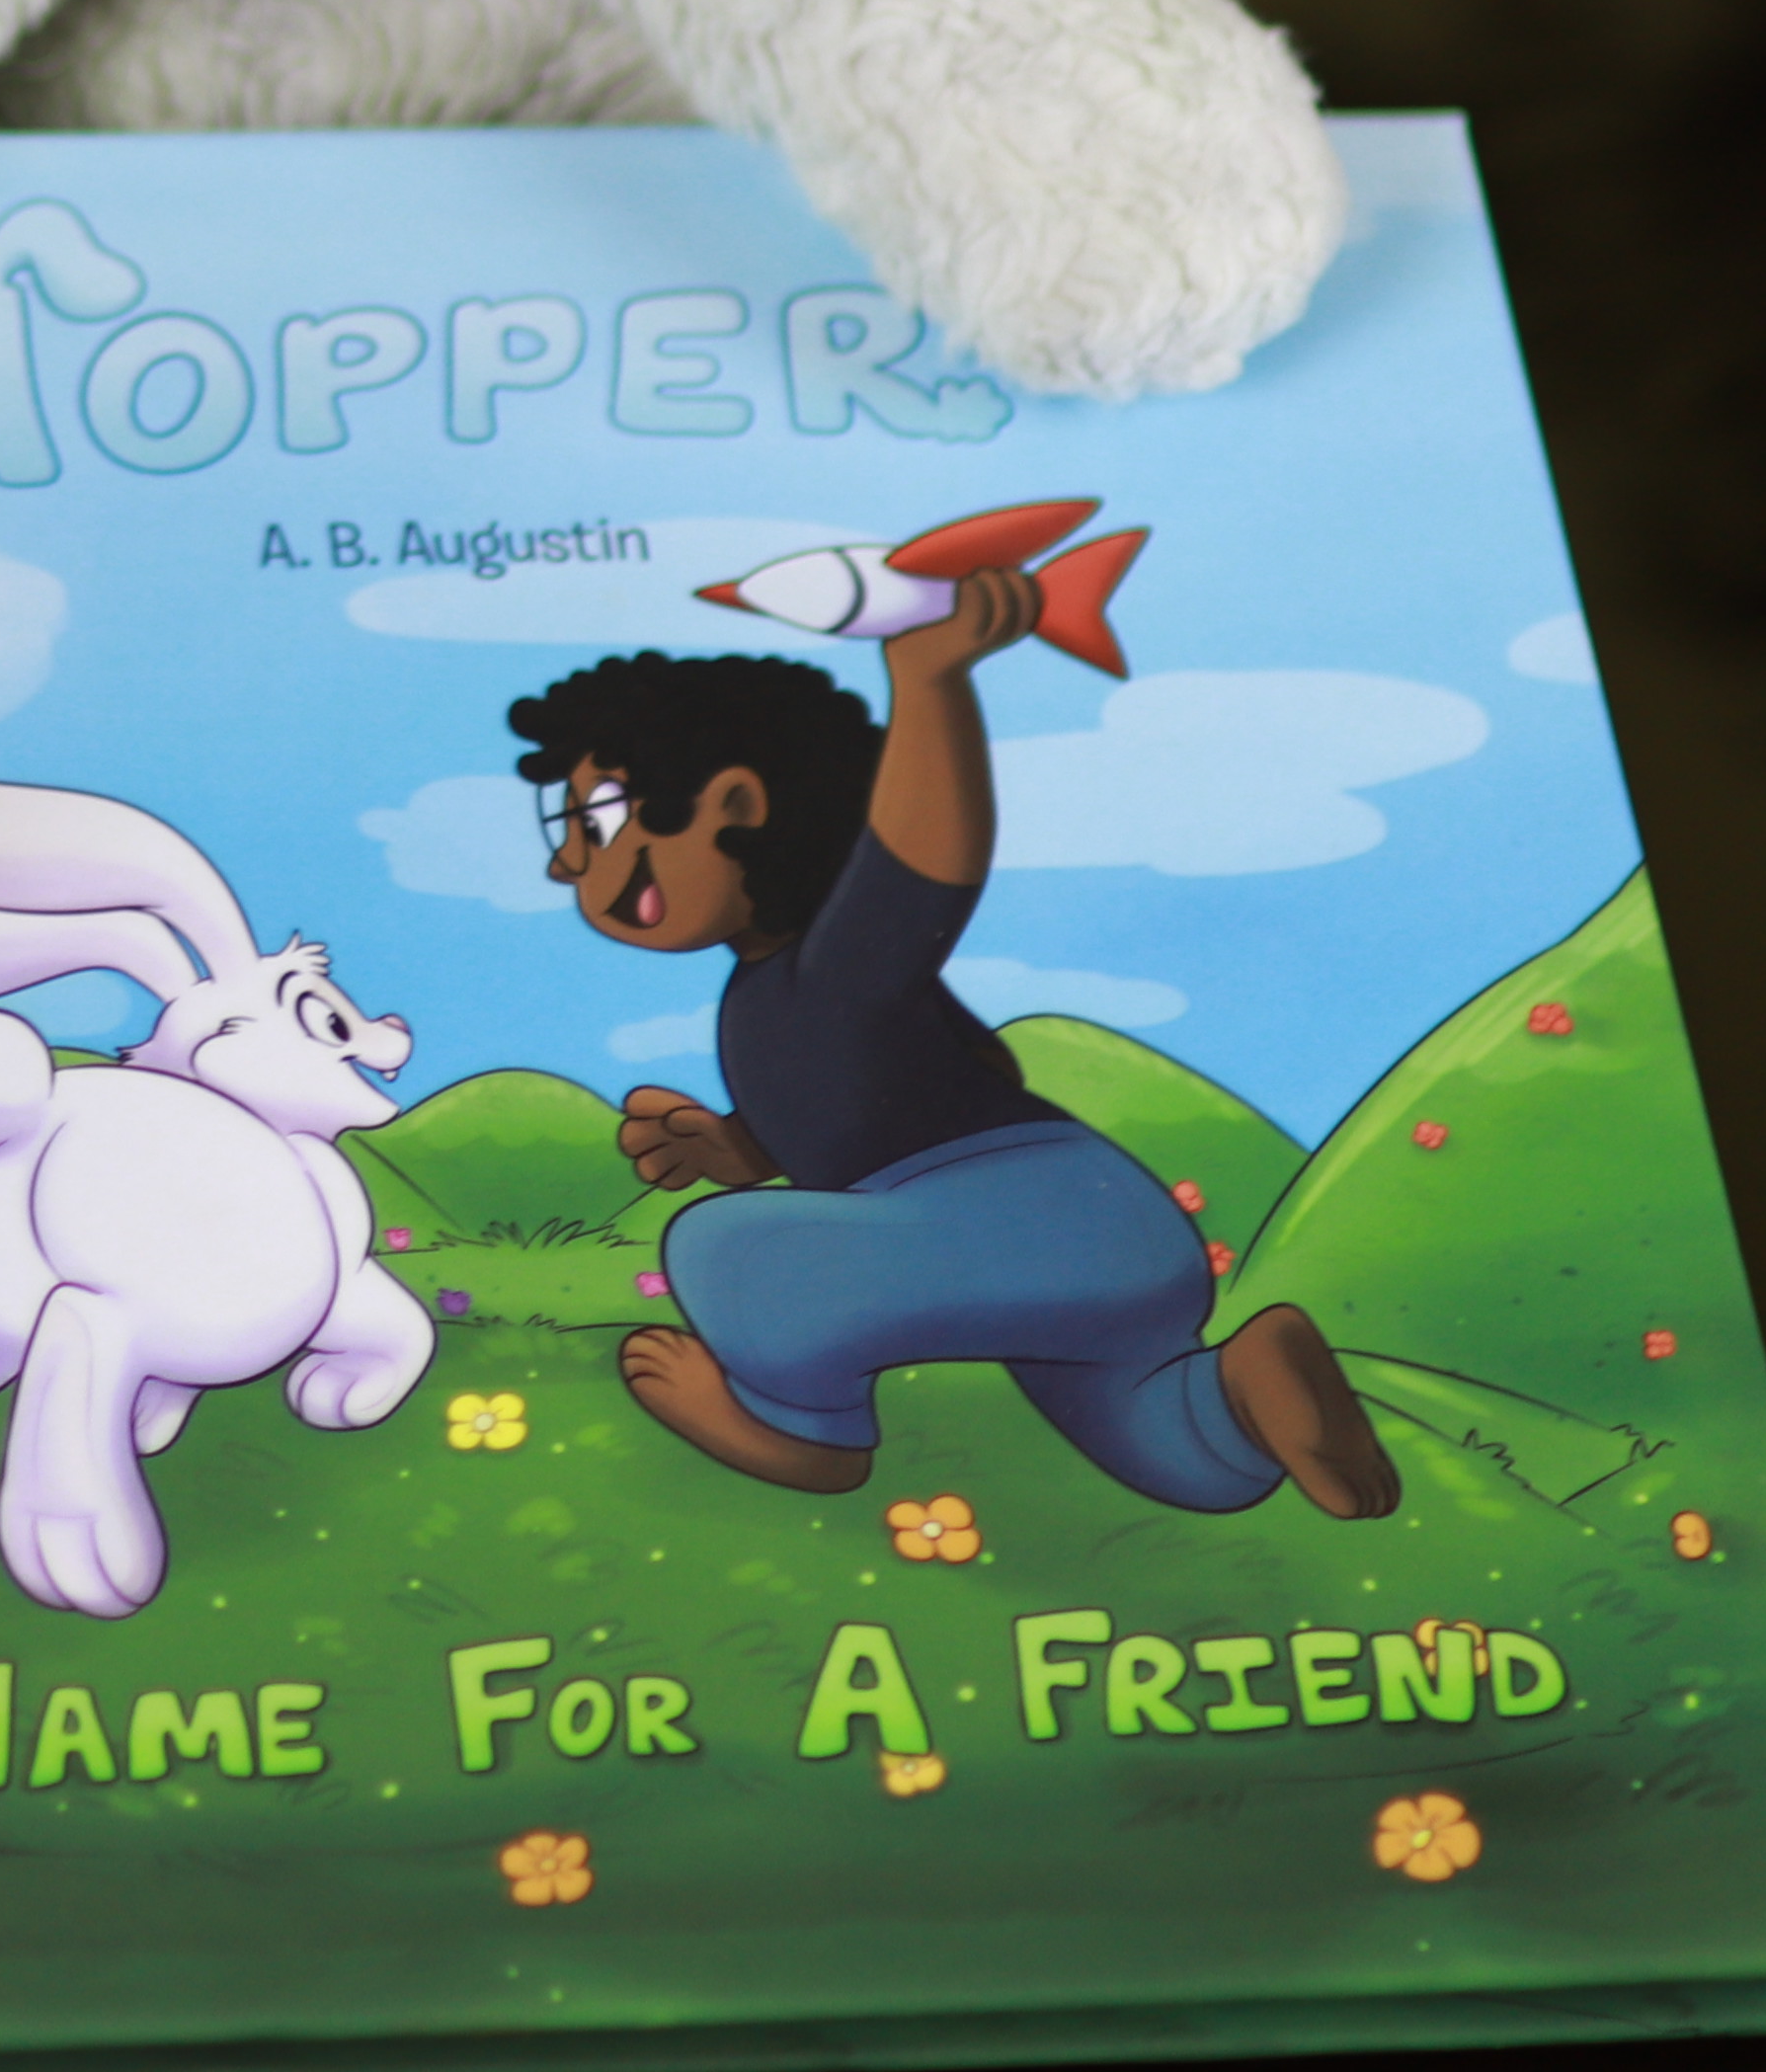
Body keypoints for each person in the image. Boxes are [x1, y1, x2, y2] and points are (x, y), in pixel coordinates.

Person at [516, 581, 1399, 1517]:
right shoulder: (799, 991)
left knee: (723, 1247)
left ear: (737, 803)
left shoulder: (843, 961)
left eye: (595, 822)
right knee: (1155, 1437)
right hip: (1103, 1232)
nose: (567, 862)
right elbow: (950, 1085)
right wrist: (739, 1147)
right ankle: (1243, 1391)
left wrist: (929, 681)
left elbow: (923, 863)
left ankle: (799, 1432)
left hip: (1013, 1221)